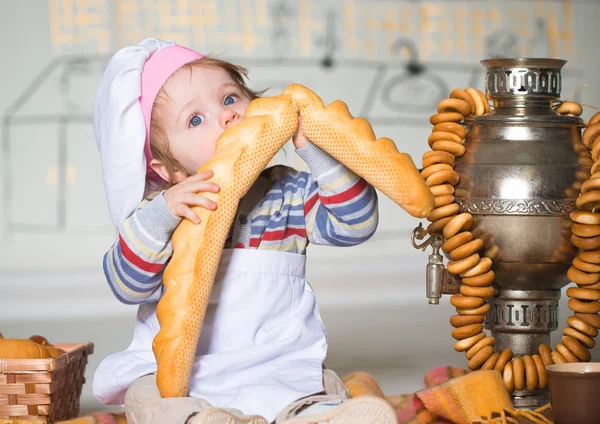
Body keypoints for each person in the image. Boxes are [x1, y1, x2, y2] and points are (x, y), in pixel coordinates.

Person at [92, 38, 396, 424]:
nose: (227, 116)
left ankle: (319, 416)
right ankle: (204, 420)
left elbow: (357, 224)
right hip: (187, 375)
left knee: (320, 385)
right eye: (195, 119)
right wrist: (163, 214)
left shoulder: (287, 193)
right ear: (169, 170)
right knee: (146, 395)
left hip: (275, 361)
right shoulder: (166, 213)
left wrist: (316, 149)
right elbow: (126, 285)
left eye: (231, 98)